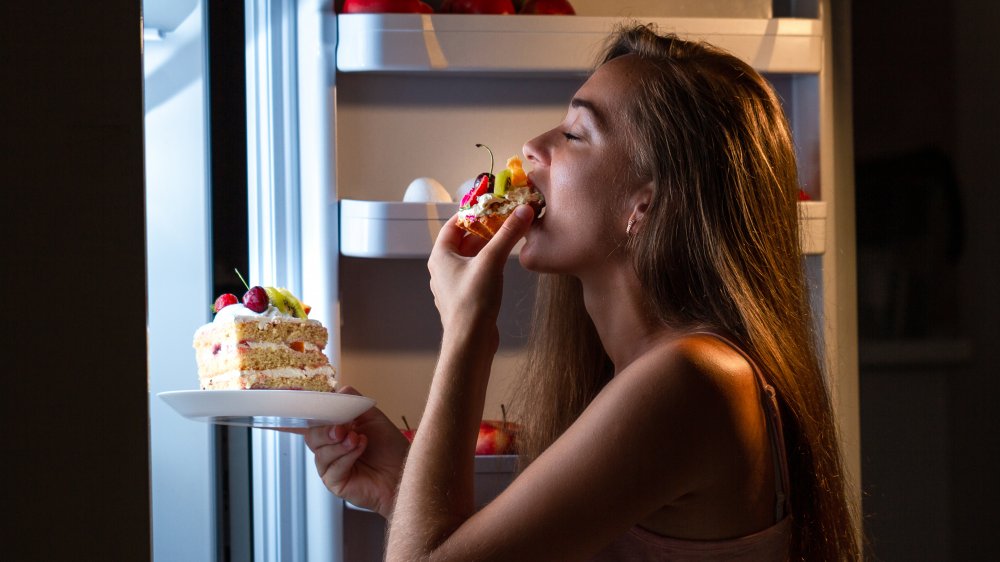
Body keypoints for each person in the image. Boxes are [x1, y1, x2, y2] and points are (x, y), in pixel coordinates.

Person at [299, 23, 860, 560]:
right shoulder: (659, 376)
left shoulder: (692, 380)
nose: (532, 147)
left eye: (573, 134)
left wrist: (467, 328)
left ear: (646, 205)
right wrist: (405, 493)